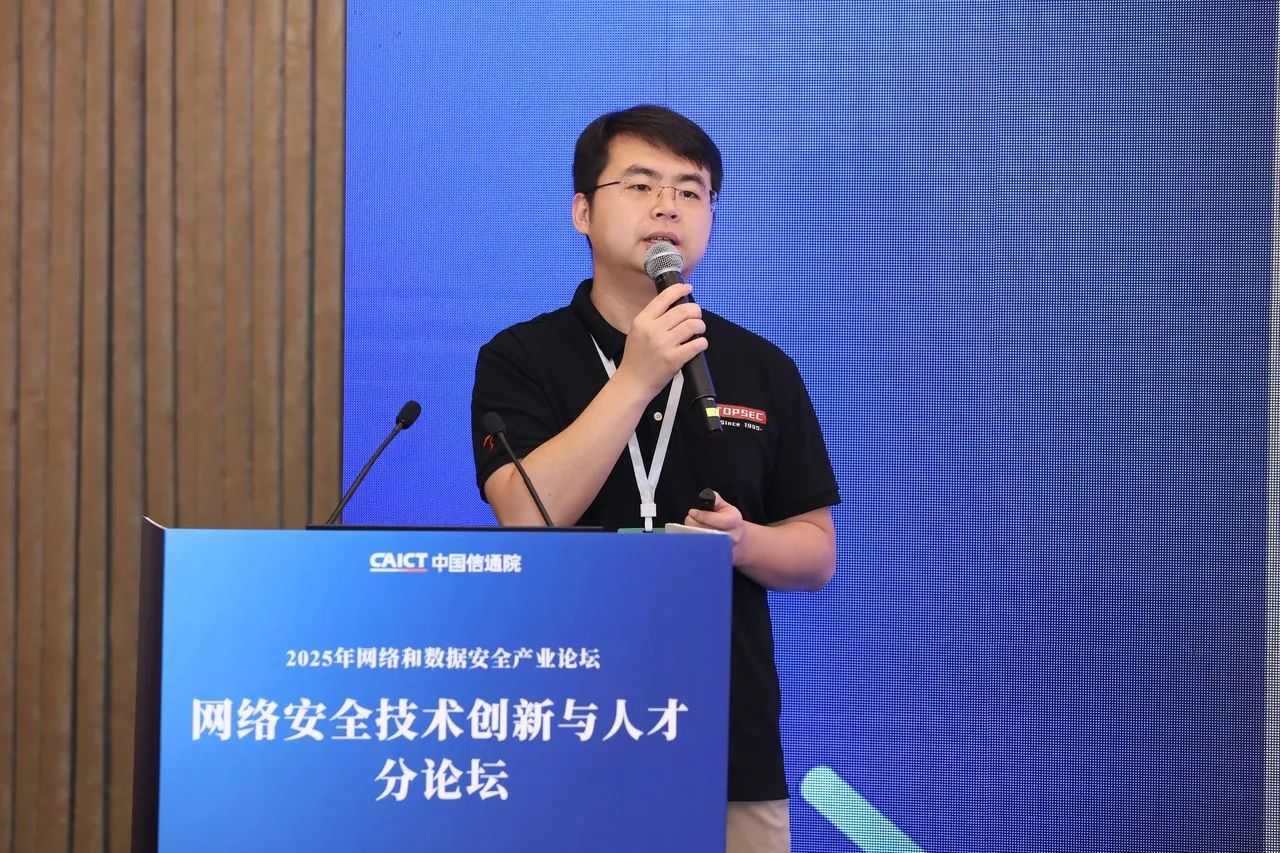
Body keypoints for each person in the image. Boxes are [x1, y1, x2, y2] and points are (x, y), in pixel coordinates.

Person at [470, 104, 839, 853]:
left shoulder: (761, 366)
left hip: (726, 742)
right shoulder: (520, 358)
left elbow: (816, 552)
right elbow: (528, 516)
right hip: (564, 730)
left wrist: (742, 542)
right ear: (582, 211)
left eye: (690, 191)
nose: (668, 206)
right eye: (640, 185)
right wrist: (636, 378)